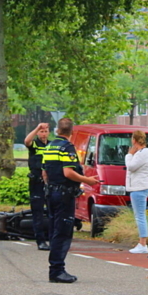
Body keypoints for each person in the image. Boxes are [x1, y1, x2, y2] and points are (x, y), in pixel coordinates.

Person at [41, 117, 98, 283]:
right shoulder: (67, 148)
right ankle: (57, 270)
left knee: (54, 229)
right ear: (71, 132)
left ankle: (55, 268)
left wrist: (50, 187)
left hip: (51, 193)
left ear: (57, 130)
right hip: (64, 195)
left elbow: (44, 173)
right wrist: (87, 180)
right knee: (63, 231)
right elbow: (68, 172)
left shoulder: (49, 147)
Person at [24, 122, 52, 251]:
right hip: (36, 182)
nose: (44, 134)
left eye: (45, 131)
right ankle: (40, 241)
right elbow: (27, 141)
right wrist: (37, 128)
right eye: (41, 132)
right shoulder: (34, 144)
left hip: (50, 182)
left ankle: (52, 239)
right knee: (38, 212)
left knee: (52, 211)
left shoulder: (51, 145)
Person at [125, 130, 148, 254]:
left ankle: (143, 244)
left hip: (139, 188)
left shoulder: (142, 153)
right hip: (138, 187)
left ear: (134, 140)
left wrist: (129, 155)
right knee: (140, 215)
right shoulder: (141, 153)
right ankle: (142, 243)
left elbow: (131, 167)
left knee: (140, 216)